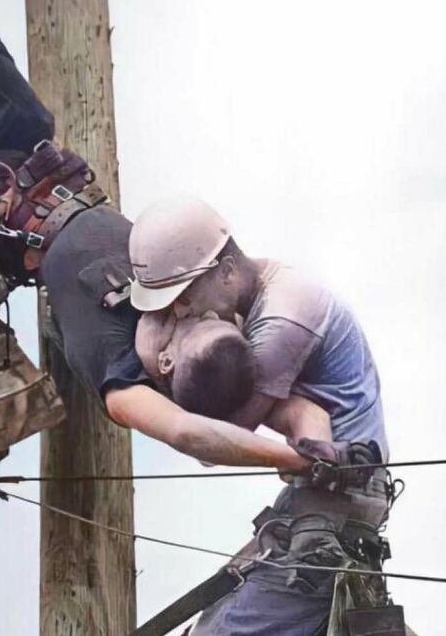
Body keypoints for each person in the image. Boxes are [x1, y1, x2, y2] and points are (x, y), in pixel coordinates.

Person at [0, 18, 313, 474]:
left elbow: (189, 435)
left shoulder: (120, 366)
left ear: (168, 362)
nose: (193, 314)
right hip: (41, 162)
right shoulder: (204, 327)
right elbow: (293, 407)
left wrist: (286, 460)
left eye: (193, 329)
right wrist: (319, 448)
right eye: (211, 318)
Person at [125, 196, 394, 636]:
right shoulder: (259, 293)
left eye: (185, 296)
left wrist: (154, 357)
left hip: (335, 504)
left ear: (227, 271)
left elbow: (215, 441)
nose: (181, 312)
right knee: (212, 620)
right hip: (314, 497)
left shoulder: (282, 322)